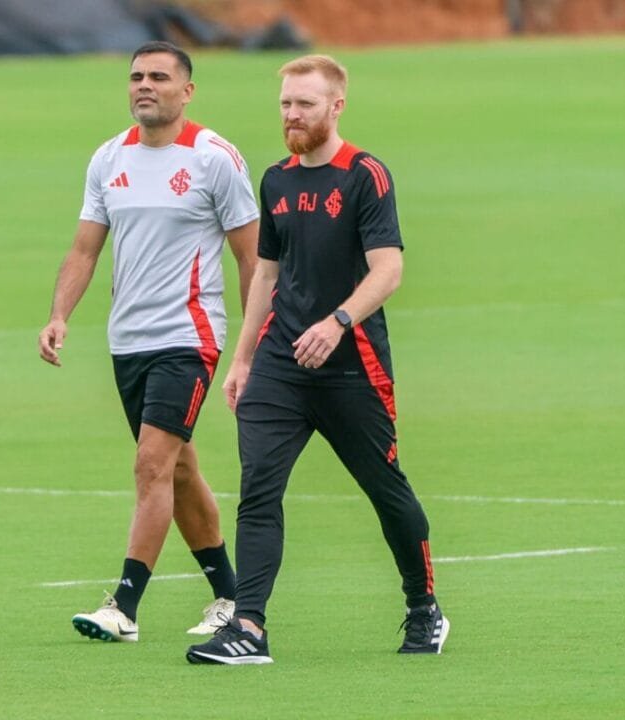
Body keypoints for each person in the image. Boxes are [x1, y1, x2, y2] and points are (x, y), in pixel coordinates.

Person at [185, 55, 449, 664]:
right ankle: (249, 628)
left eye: (305, 104)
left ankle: (423, 607)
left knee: (386, 491)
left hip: (351, 363)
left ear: (336, 106)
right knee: (258, 489)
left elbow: (389, 269)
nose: (292, 115)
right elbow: (266, 275)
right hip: (280, 362)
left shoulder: (365, 176)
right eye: (285, 104)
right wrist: (244, 359)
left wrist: (338, 322)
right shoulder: (276, 180)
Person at [39, 41, 259, 642]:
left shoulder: (216, 159)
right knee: (180, 471)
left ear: (186, 91)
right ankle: (230, 598)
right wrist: (60, 315)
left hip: (189, 337)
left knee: (151, 464)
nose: (145, 85)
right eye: (136, 76)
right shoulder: (109, 157)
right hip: (127, 341)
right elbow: (86, 248)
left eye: (159, 77)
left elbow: (252, 258)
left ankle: (125, 606)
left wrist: (251, 344)